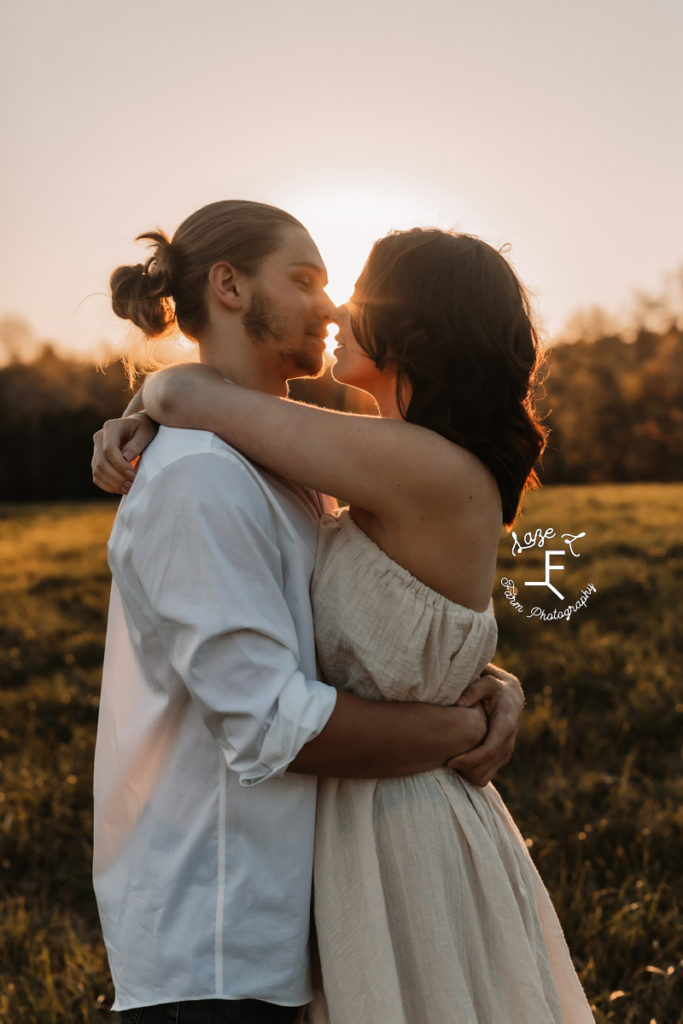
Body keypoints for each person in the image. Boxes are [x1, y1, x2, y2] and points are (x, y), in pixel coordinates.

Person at [92, 200, 525, 1024]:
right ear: (227, 286)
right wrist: (463, 725)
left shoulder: (308, 474)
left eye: (349, 290)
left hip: (320, 897)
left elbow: (369, 636)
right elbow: (269, 722)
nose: (333, 307)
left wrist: (483, 680)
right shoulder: (201, 476)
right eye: (305, 280)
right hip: (217, 932)